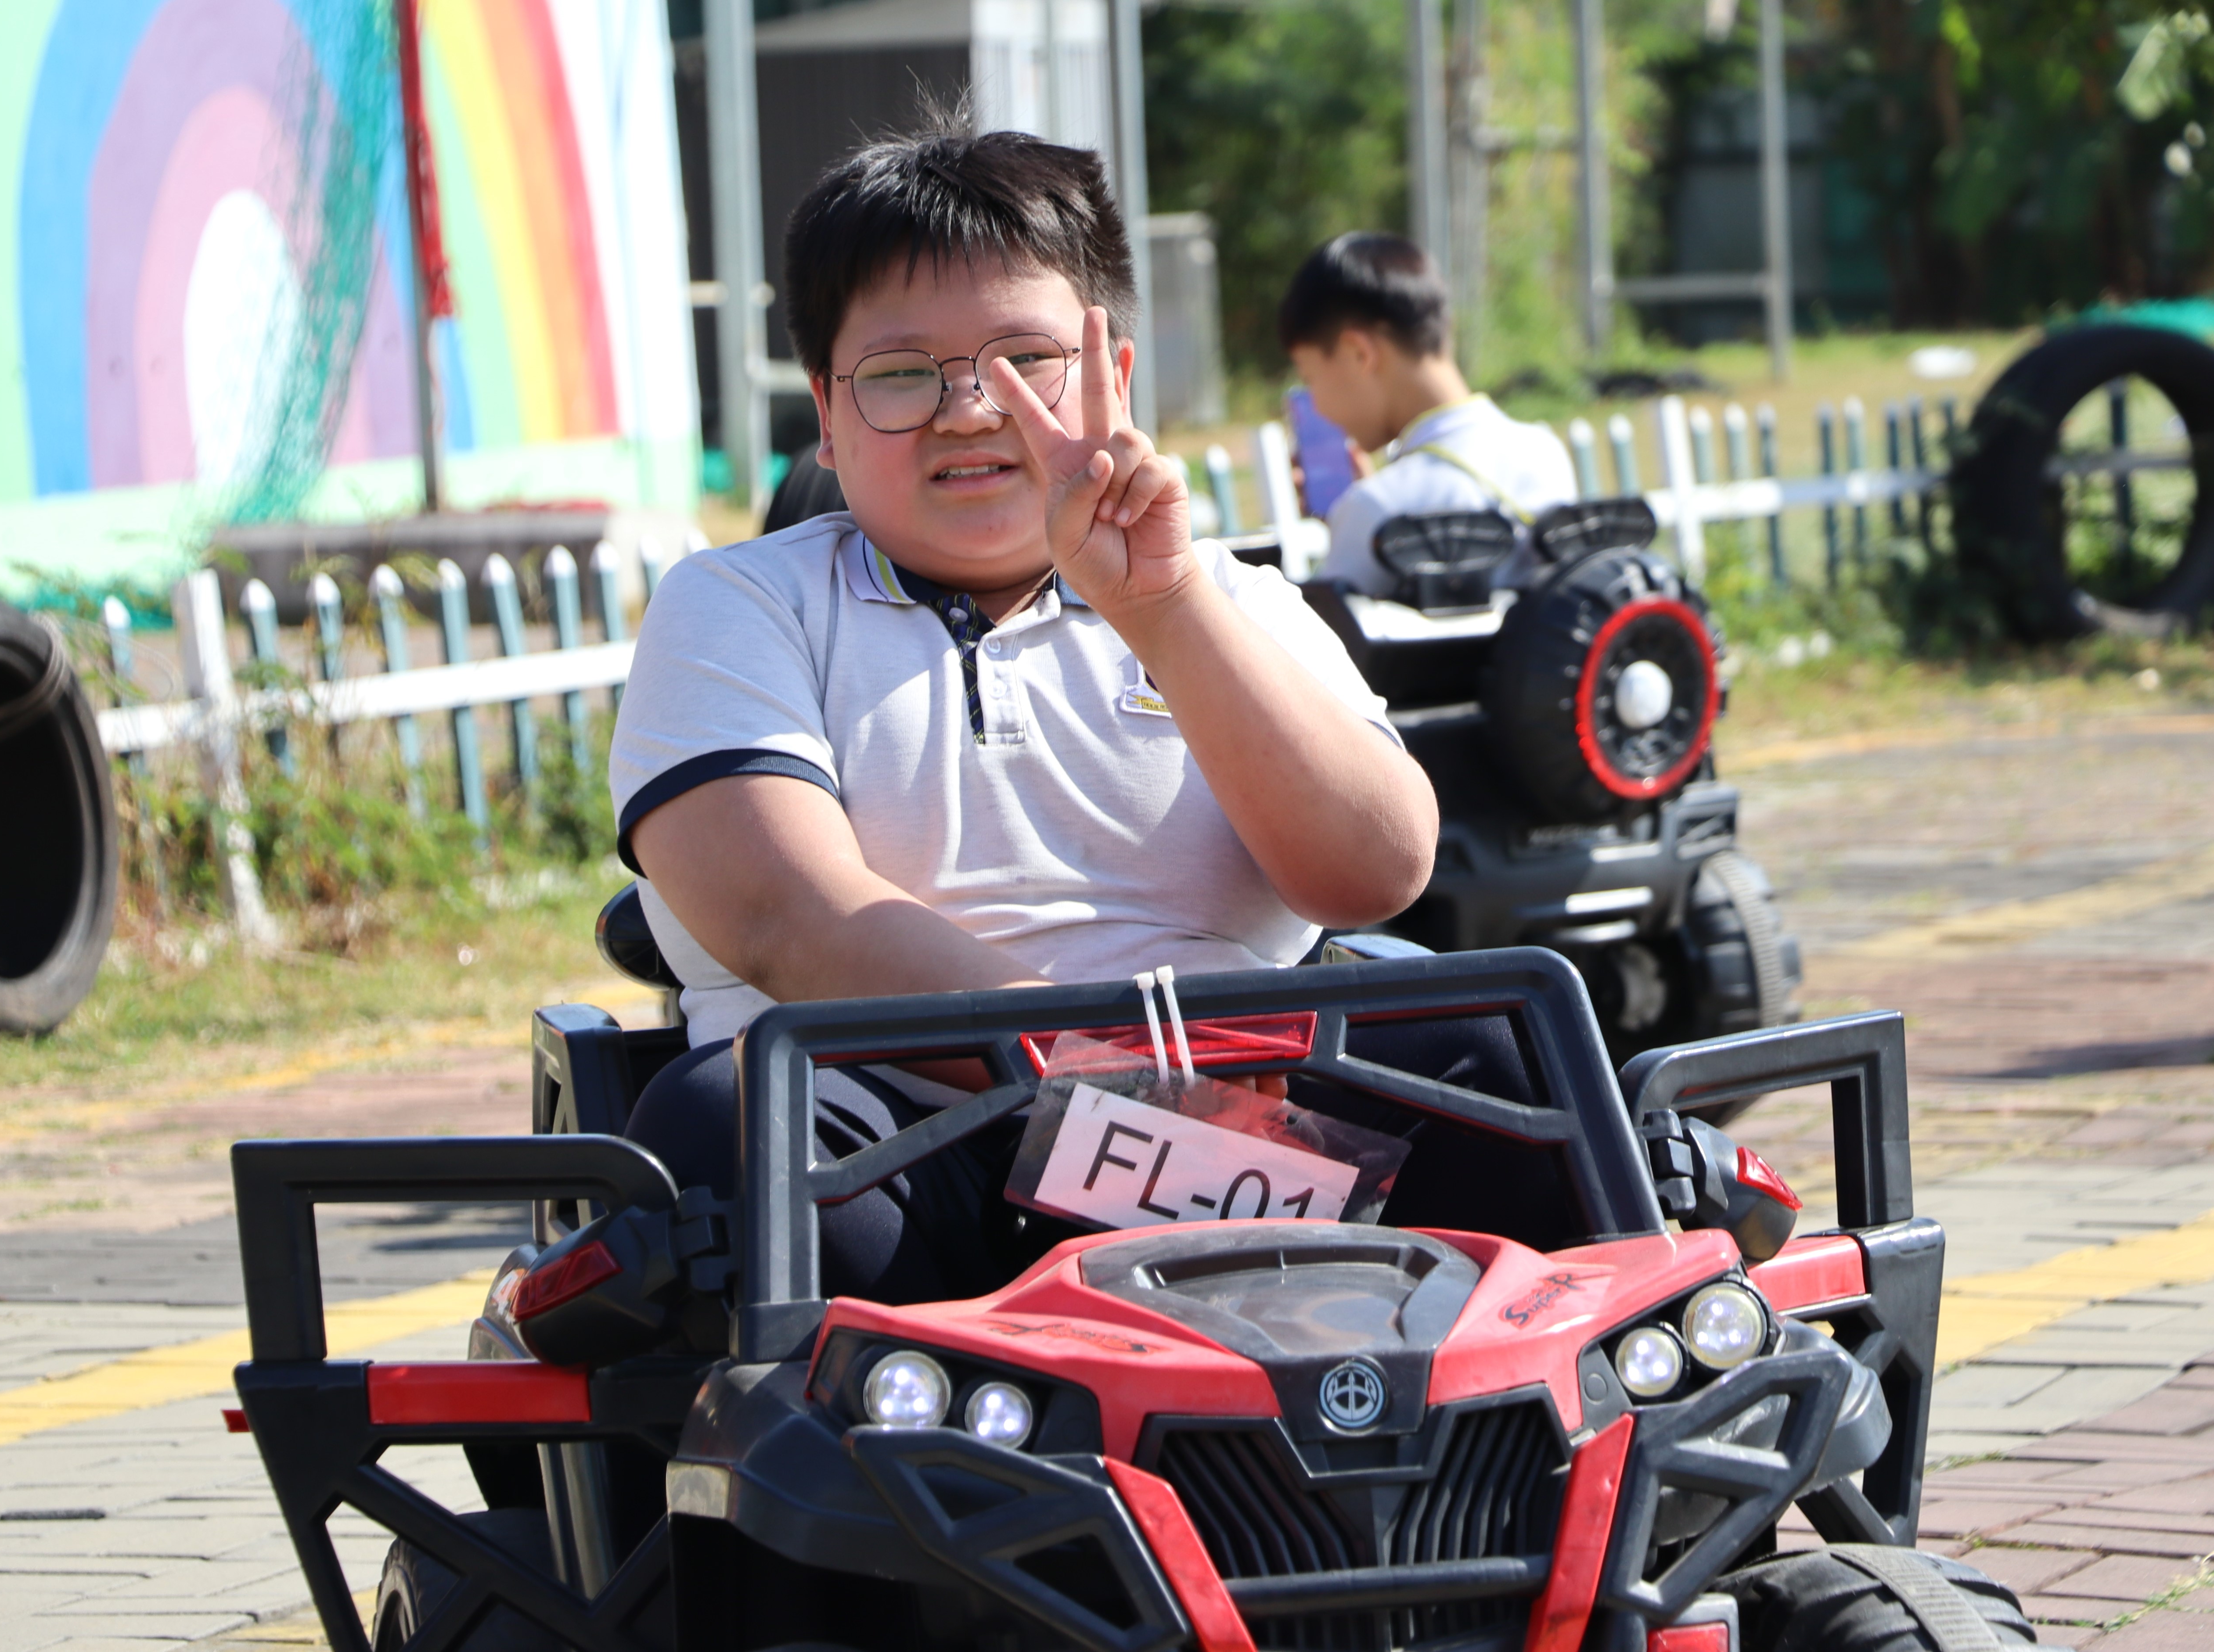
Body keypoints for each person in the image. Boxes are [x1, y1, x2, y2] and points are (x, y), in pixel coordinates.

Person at [607, 127, 1569, 1305]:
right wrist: (1118, 1093)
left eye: (1024, 362)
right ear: (826, 406)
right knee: (727, 1119)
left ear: (1109, 368)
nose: (971, 411)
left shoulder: (1233, 598)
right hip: (918, 1151)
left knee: (1504, 1056)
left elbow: (1375, 869)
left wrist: (1160, 607)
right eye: (903, 373)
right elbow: (791, 916)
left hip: (1269, 1121)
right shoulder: (739, 604)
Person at [1280, 233, 1579, 600]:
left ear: (1359, 353)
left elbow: (1318, 636)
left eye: (1310, 377)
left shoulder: (1376, 508)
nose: (1317, 404)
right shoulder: (1545, 452)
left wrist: (1356, 516)